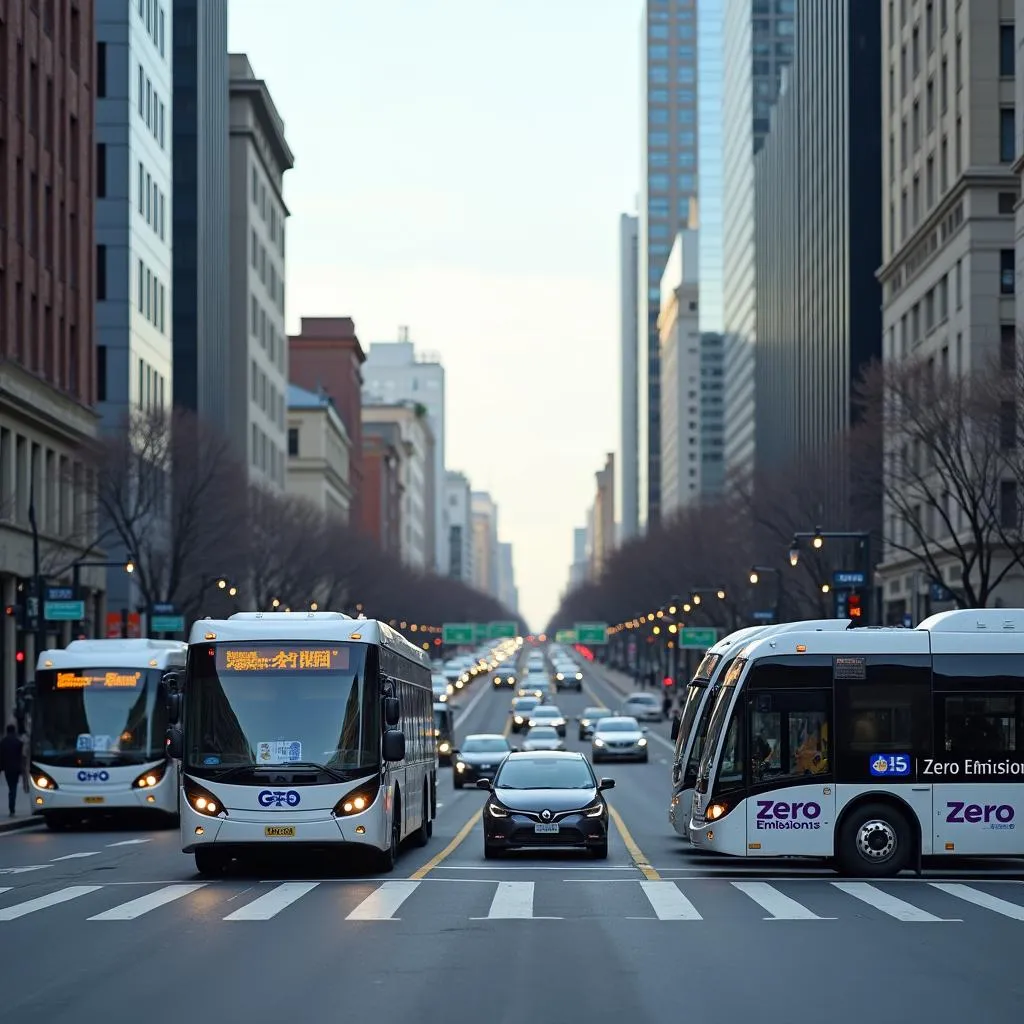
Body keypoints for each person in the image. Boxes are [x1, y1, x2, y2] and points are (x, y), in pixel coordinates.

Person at [0, 724, 26, 816]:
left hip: (7, 768)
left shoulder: (3, 742)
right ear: (14, 731)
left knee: (10, 786)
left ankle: (11, 807)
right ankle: (12, 808)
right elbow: (21, 756)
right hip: (16, 768)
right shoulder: (18, 742)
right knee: (13, 788)